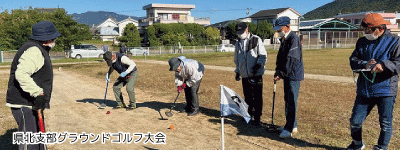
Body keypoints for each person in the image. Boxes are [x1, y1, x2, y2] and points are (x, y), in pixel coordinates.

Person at [346, 13, 400, 150]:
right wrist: (364, 64)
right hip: (364, 89)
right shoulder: (362, 41)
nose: (365, 33)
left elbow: (398, 62)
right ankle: (357, 144)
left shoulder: (395, 41)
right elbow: (353, 60)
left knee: (385, 123)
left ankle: (381, 147)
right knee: (355, 122)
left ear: (380, 28)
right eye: (364, 30)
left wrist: (383, 65)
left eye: (368, 30)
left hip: (386, 89)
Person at [6, 21, 61, 150]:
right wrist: (37, 92)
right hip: (25, 104)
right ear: (46, 38)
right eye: (53, 37)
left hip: (32, 103)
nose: (55, 39)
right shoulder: (34, 50)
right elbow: (21, 74)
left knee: (38, 141)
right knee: (29, 143)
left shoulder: (39, 48)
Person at [272, 16, 304, 138]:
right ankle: (292, 124)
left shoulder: (293, 39)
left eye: (279, 29)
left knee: (291, 101)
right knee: (288, 100)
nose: (278, 32)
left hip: (293, 75)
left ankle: (289, 128)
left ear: (287, 27)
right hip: (287, 74)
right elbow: (280, 58)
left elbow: (291, 60)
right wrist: (277, 71)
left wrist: (281, 73)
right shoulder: (284, 39)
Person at [234, 22, 267, 126]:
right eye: (238, 32)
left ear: (247, 29)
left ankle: (257, 118)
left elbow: (263, 55)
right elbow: (237, 59)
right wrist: (238, 72)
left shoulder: (256, 39)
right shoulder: (237, 43)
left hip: (256, 74)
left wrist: (258, 65)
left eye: (242, 32)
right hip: (244, 75)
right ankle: (248, 115)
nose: (240, 34)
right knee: (247, 97)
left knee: (257, 97)